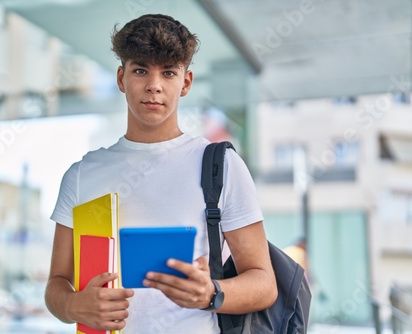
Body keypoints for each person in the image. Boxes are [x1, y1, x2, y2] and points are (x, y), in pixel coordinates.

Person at [44, 13, 277, 333]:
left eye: (168, 72)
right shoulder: (83, 174)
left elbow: (264, 284)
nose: (154, 86)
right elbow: (57, 283)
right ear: (121, 78)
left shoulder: (220, 165)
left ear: (186, 82)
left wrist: (211, 293)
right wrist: (73, 305)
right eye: (141, 70)